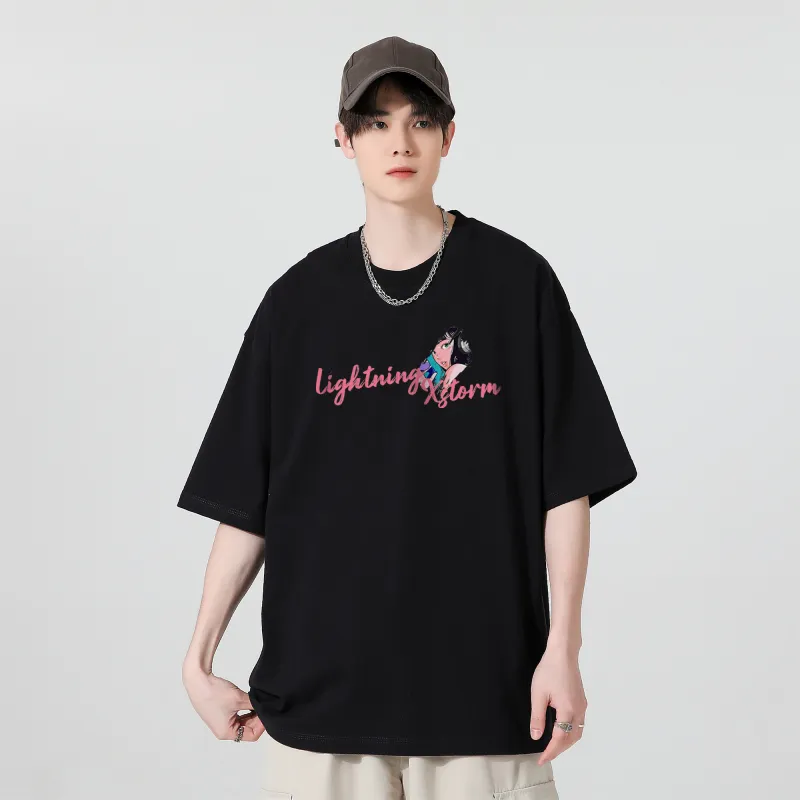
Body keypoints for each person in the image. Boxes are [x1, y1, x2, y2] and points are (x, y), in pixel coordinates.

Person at [178, 35, 637, 800]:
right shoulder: (297, 305)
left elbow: (567, 485)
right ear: (343, 138)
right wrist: (198, 660)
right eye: (376, 122)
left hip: (486, 699)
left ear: (449, 137)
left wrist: (565, 647)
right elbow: (246, 501)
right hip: (320, 707)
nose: (399, 142)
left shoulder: (516, 284)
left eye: (420, 121)